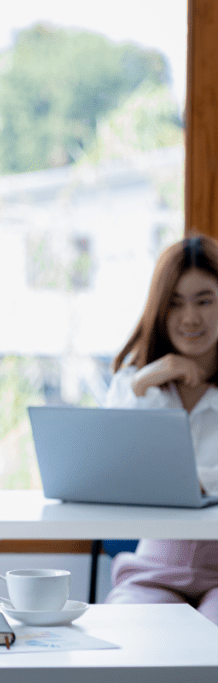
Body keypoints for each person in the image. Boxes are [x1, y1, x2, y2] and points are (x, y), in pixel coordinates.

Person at [104, 235, 218, 624]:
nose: (190, 318)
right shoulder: (136, 386)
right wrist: (145, 381)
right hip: (154, 569)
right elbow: (105, 470)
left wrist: (192, 482)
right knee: (134, 637)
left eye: (204, 300)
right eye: (175, 303)